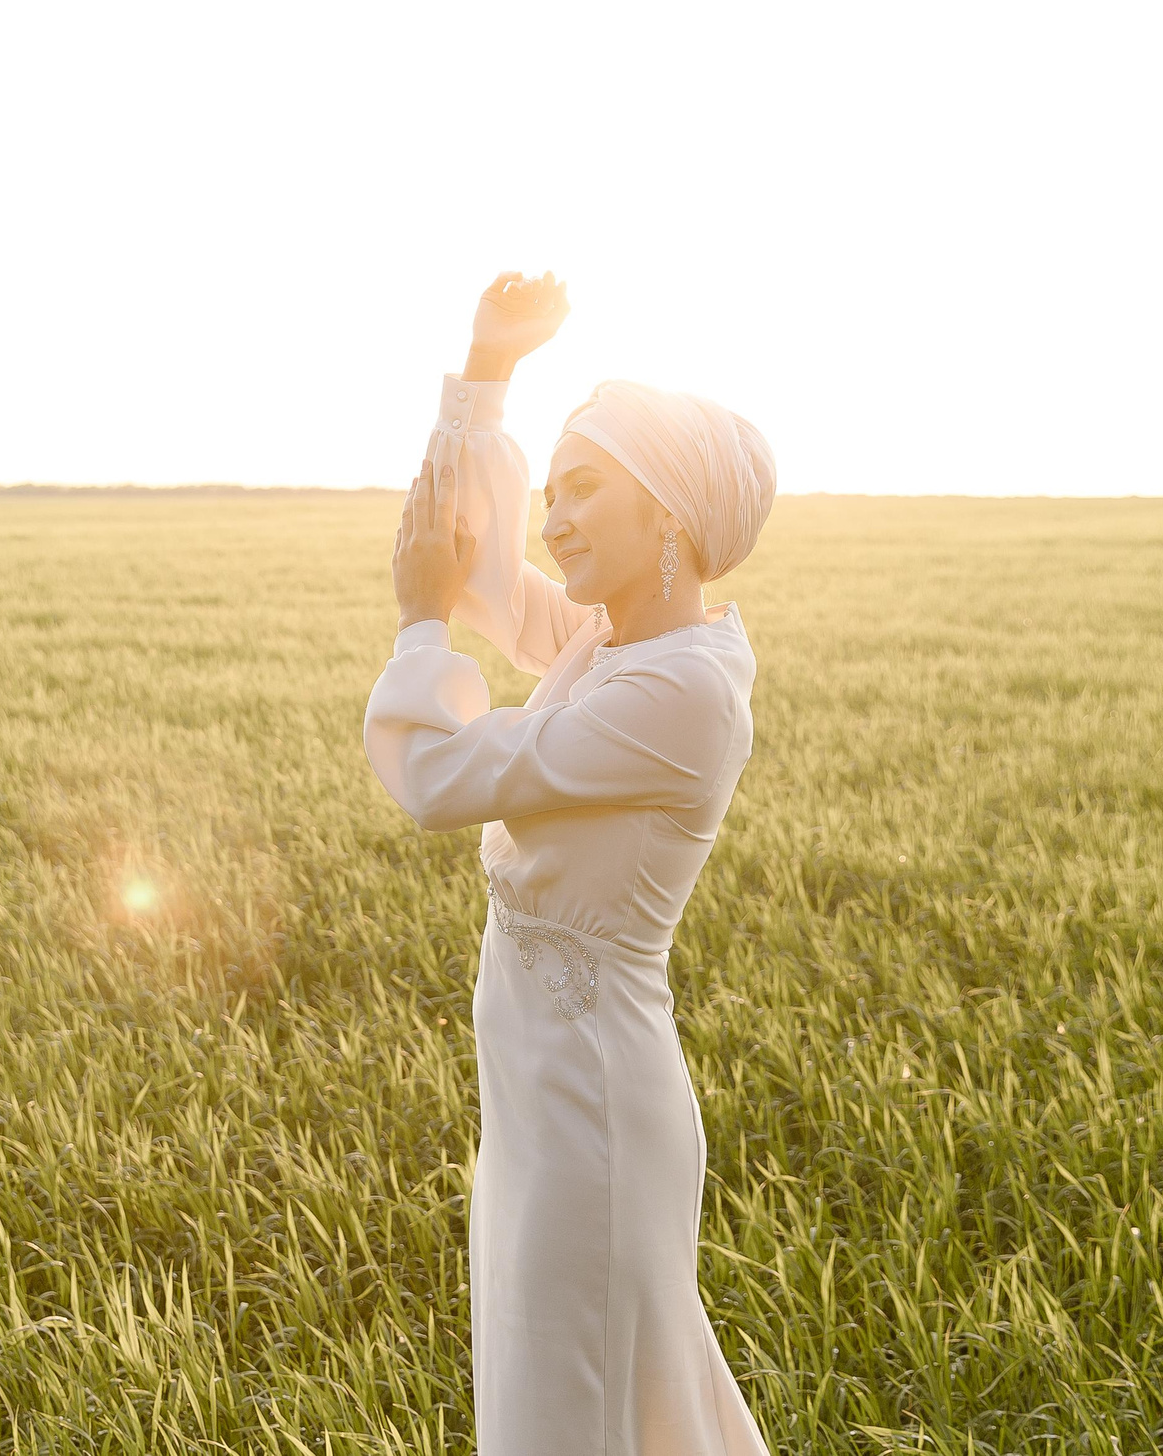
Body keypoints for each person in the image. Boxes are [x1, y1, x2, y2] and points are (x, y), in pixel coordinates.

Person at [364, 271, 779, 1455]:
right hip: (543, 1093)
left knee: (578, 1403)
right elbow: (483, 563)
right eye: (552, 492)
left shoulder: (679, 693)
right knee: (588, 1395)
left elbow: (442, 778)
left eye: (585, 490)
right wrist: (485, 369)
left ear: (674, 515)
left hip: (594, 1105)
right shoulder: (613, 643)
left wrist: (417, 628)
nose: (553, 518)